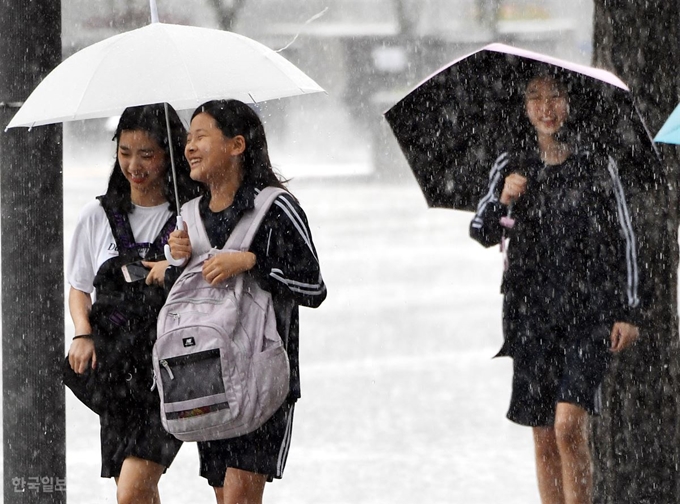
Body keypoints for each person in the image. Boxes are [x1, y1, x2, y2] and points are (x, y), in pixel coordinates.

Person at [469, 74, 642, 504]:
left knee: (568, 426)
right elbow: (481, 230)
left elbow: (625, 237)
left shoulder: (597, 163)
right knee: (544, 433)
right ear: (525, 108)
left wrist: (628, 311)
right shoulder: (512, 163)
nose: (546, 108)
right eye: (535, 99)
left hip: (589, 314)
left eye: (555, 97)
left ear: (569, 103)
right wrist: (502, 200)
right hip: (530, 315)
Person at [167, 99, 327, 504]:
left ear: (237, 145)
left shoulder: (276, 207)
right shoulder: (187, 216)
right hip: (205, 377)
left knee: (239, 495)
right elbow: (180, 298)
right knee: (225, 496)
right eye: (188, 138)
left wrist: (252, 262)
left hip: (264, 375)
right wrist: (174, 258)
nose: (189, 147)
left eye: (201, 136)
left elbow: (314, 286)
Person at [66, 103, 203, 504]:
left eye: (146, 154)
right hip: (115, 371)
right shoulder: (97, 215)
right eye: (125, 153)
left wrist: (175, 263)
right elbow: (78, 287)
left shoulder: (191, 217)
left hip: (168, 373)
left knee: (132, 491)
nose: (134, 165)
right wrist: (82, 333)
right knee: (138, 493)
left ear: (169, 154)